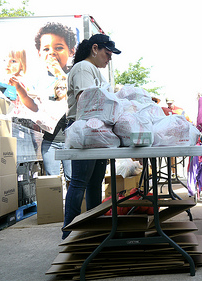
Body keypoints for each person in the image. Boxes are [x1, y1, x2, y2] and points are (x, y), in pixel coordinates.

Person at [62, 33, 121, 239]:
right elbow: (86, 100)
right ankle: (69, 233)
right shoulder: (83, 68)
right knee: (80, 181)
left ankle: (94, 230)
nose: (110, 58)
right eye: (107, 53)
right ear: (94, 48)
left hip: (95, 129)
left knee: (95, 182)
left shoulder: (95, 71)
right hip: (84, 129)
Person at [34, 22, 76, 184]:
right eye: (46, 49)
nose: (51, 53)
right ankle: (55, 210)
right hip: (50, 141)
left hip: (70, 142)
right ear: (39, 53)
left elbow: (72, 95)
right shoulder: (40, 81)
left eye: (58, 48)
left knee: (72, 180)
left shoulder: (73, 74)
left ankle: (74, 210)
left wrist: (59, 72)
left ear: (71, 51)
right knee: (52, 182)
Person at [0, 49, 38, 115]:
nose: (7, 64)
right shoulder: (1, 79)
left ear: (22, 65)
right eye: (4, 60)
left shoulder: (22, 81)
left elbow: (34, 107)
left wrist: (19, 88)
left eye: (13, 61)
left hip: (18, 118)